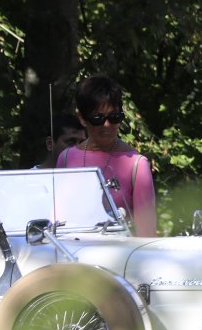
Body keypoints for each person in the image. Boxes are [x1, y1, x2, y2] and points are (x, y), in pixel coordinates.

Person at [56, 75, 158, 236]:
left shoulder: (136, 164)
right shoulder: (66, 159)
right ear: (82, 118)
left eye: (114, 117)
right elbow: (57, 221)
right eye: (98, 118)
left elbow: (147, 234)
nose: (107, 125)